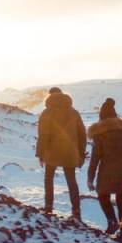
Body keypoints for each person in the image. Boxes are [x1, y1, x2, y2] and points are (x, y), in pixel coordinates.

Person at [87, 98, 122, 241]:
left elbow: (95, 158)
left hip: (106, 172)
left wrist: (90, 177)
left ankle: (111, 221)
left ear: (101, 117)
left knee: (103, 196)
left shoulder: (99, 134)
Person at [36, 86, 87, 220]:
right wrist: (81, 153)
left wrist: (40, 154)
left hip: (52, 151)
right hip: (70, 152)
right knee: (71, 181)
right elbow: (82, 134)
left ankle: (48, 206)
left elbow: (43, 134)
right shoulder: (74, 112)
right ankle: (76, 211)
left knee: (49, 178)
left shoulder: (47, 112)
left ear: (50, 96)